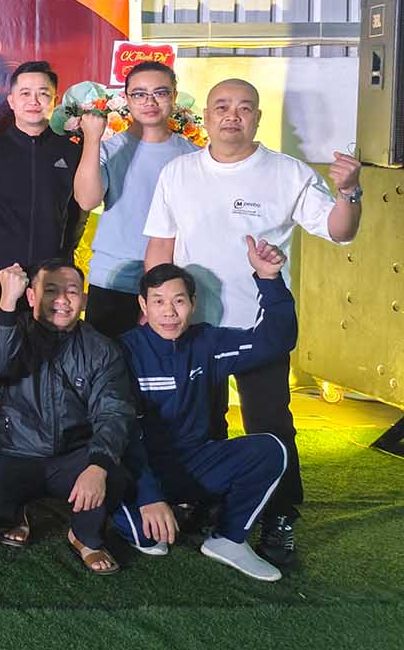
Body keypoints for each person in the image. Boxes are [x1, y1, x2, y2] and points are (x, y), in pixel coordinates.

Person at [143, 77, 361, 564]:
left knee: (271, 424)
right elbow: (160, 245)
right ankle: (206, 500)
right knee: (200, 424)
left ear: (257, 118)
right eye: (222, 106)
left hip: (258, 331)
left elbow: (339, 230)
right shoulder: (179, 172)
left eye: (244, 107)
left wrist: (349, 191)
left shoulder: (287, 173)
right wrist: (155, 311)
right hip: (196, 330)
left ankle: (280, 514)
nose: (232, 115)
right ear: (206, 117)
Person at [113, 240, 296, 582]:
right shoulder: (123, 352)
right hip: (139, 467)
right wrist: (149, 496)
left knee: (271, 450)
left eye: (179, 301)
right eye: (158, 301)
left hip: (192, 462)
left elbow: (275, 342)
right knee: (151, 540)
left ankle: (228, 538)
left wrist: (270, 279)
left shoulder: (206, 344)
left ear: (193, 304)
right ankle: (151, 509)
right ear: (143, 305)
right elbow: (121, 434)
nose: (169, 312)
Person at [0, 260, 136, 575]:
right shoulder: (14, 329)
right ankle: (18, 512)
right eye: (50, 290)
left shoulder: (101, 349)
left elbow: (113, 410)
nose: (61, 300)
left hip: (74, 455)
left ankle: (83, 536)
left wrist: (97, 465)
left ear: (83, 300)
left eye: (71, 292)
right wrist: (6, 303)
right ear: (31, 296)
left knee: (114, 478)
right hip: (17, 452)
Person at [0, 61, 85, 378]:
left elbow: (77, 213)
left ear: (54, 101)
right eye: (25, 93)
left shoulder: (71, 153)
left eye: (43, 93)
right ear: (11, 101)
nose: (34, 100)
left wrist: (60, 253)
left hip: (52, 277)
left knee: (53, 364)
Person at [71, 62, 197, 338]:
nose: (149, 102)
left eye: (160, 93)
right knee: (107, 361)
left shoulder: (193, 156)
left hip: (170, 286)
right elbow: (87, 200)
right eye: (139, 94)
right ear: (126, 99)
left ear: (174, 96)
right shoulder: (108, 149)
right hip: (113, 280)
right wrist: (91, 140)